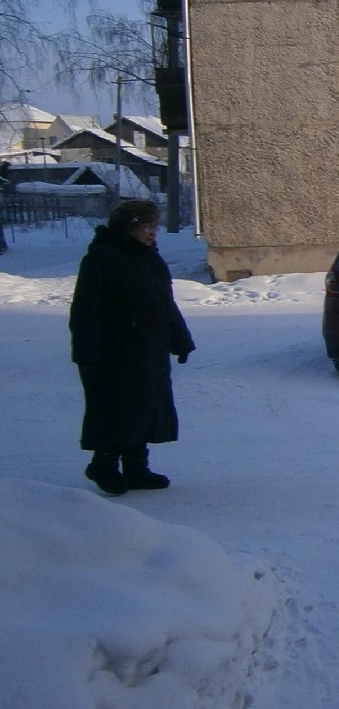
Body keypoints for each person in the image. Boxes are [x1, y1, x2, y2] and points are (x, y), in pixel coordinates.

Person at [69, 199, 195, 495]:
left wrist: (181, 340)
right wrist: (86, 351)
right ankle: (103, 464)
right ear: (129, 228)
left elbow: (165, 305)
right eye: (146, 226)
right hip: (114, 352)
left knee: (146, 408)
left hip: (148, 349)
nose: (152, 232)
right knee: (119, 410)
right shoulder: (102, 258)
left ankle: (136, 468)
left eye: (154, 226)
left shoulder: (149, 258)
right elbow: (86, 309)